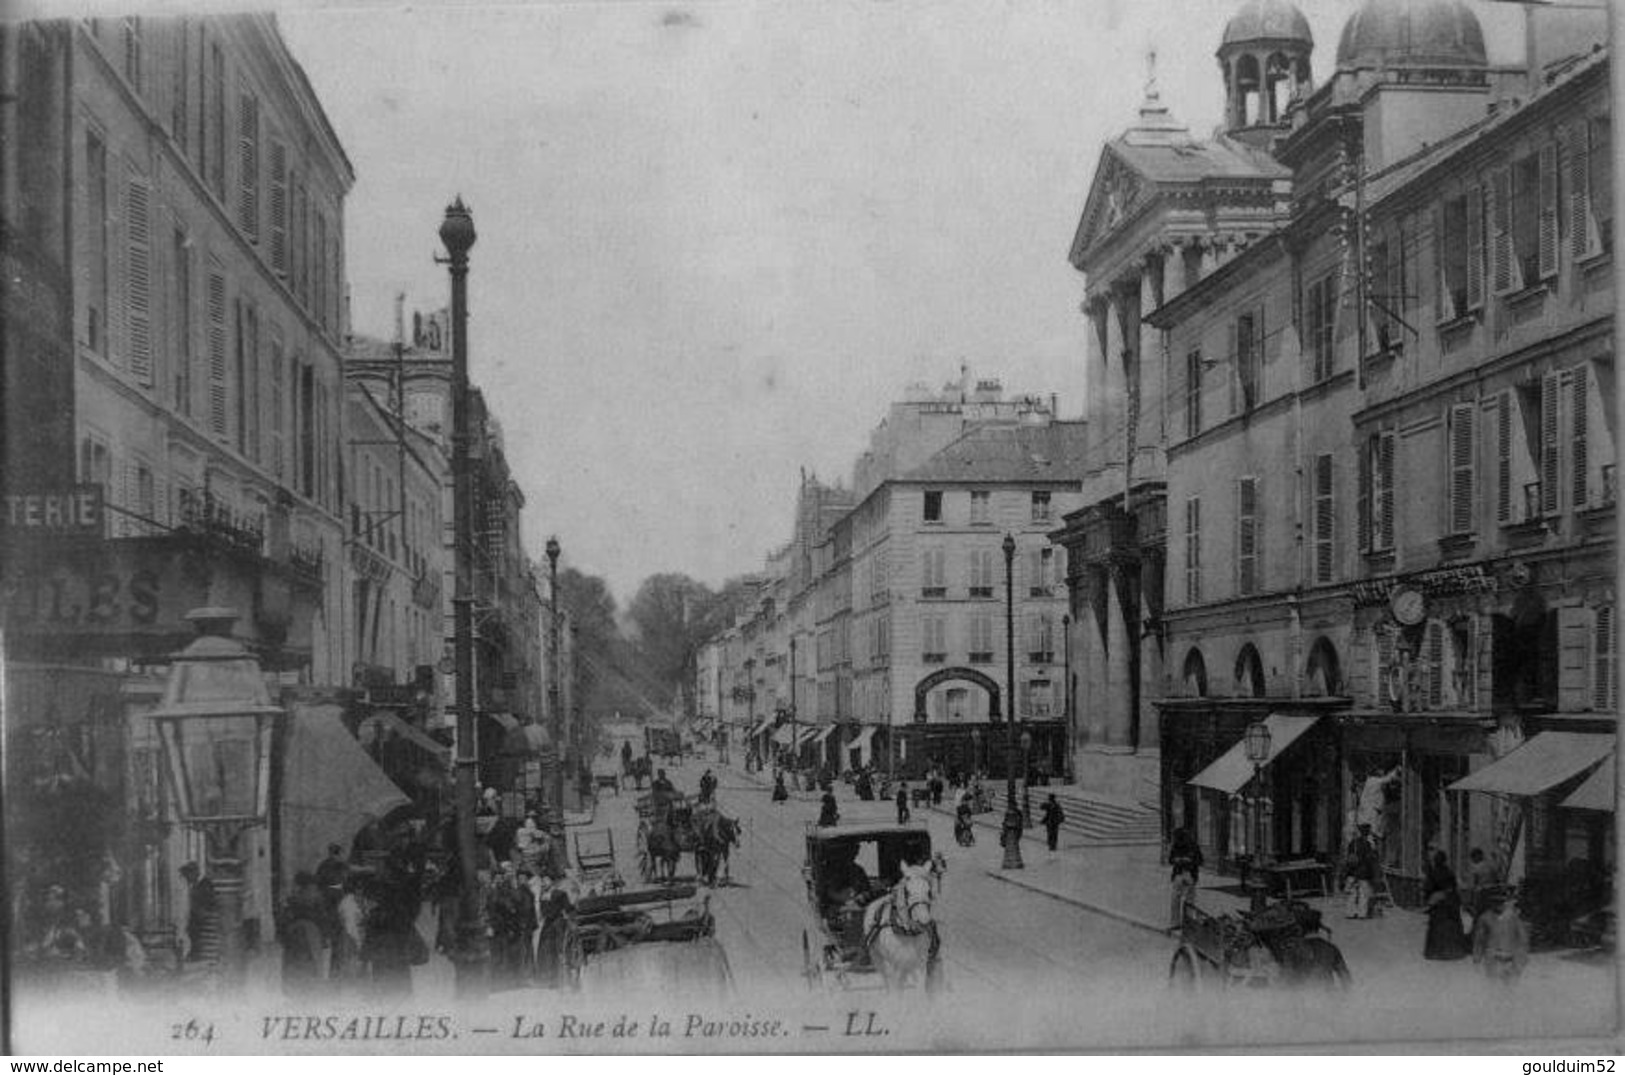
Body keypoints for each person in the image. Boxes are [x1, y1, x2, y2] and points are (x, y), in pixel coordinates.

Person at [1472, 885, 1529, 984]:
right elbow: (1479, 940)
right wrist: (1477, 958)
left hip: (1511, 958)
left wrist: (1521, 959)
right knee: (1493, 986)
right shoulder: (1485, 918)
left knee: (1511, 987)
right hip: (1492, 959)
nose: (1499, 904)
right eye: (1495, 901)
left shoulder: (1514, 917)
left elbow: (1523, 939)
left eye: (1501, 901)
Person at [1422, 850, 1470, 960]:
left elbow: (1428, 888)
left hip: (1438, 902)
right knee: (1451, 926)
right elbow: (1454, 887)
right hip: (1451, 901)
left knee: (1437, 926)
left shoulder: (1433, 873)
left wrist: (1429, 897)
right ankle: (1453, 951)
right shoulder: (1449, 872)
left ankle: (1436, 952)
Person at [179, 862, 220, 964]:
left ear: (194, 873)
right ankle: (196, 955)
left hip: (205, 921)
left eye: (187, 875)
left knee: (205, 948)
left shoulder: (205, 884)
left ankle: (199, 957)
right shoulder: (195, 885)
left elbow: (209, 903)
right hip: (198, 920)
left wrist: (202, 913)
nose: (187, 879)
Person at [1168, 827, 1203, 932]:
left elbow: (1199, 860)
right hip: (1182, 874)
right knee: (1184, 899)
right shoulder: (1178, 846)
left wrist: (1186, 861)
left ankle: (1180, 922)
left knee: (1181, 899)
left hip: (1186, 874)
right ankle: (1183, 923)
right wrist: (1179, 860)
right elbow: (1171, 859)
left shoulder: (1191, 846)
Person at [1342, 823, 1380, 919]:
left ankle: (1350, 912)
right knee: (1363, 893)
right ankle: (1362, 913)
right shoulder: (1367, 844)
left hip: (1352, 870)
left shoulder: (1353, 843)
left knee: (1352, 892)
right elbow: (1370, 859)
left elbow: (1349, 857)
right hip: (1363, 872)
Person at [1463, 847, 1499, 921]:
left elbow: (1472, 885)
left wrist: (1468, 902)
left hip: (1481, 894)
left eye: (1473, 858)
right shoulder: (1491, 865)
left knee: (1479, 915)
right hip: (1493, 892)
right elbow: (1497, 878)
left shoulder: (1475, 868)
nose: (1472, 861)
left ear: (1476, 857)